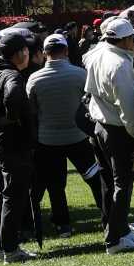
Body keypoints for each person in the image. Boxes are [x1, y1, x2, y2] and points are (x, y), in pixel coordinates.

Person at [82, 16, 134, 253]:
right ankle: (114, 238)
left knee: (110, 183)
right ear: (125, 40)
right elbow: (129, 109)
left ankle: (119, 230)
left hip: (100, 125)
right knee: (123, 185)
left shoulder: (97, 53)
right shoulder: (119, 65)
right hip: (118, 130)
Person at [25, 34, 96, 242]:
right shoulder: (80, 74)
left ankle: (63, 225)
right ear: (65, 51)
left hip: (48, 140)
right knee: (95, 180)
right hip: (78, 137)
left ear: (45, 53)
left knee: (56, 186)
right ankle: (109, 216)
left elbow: (32, 111)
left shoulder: (34, 79)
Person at [0, 30, 39, 263]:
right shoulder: (13, 76)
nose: (28, 54)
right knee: (13, 195)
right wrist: (14, 117)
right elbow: (13, 96)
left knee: (1, 194)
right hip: (12, 144)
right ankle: (10, 249)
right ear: (19, 53)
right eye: (26, 50)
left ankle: (1, 247)